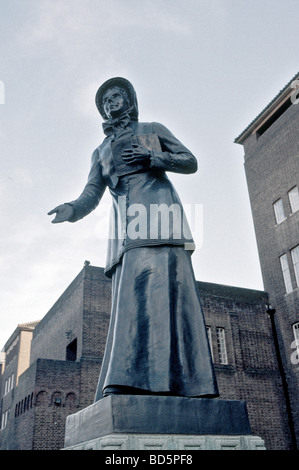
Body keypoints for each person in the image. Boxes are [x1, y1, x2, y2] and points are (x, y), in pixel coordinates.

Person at [48, 77, 219, 401]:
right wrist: (72, 208)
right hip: (128, 227)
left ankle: (190, 383)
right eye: (106, 100)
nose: (111, 102)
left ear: (129, 100)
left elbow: (190, 161)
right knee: (132, 300)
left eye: (117, 96)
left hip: (162, 216)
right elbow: (93, 192)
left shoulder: (153, 128)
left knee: (173, 293)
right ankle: (127, 379)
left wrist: (153, 157)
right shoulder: (99, 151)